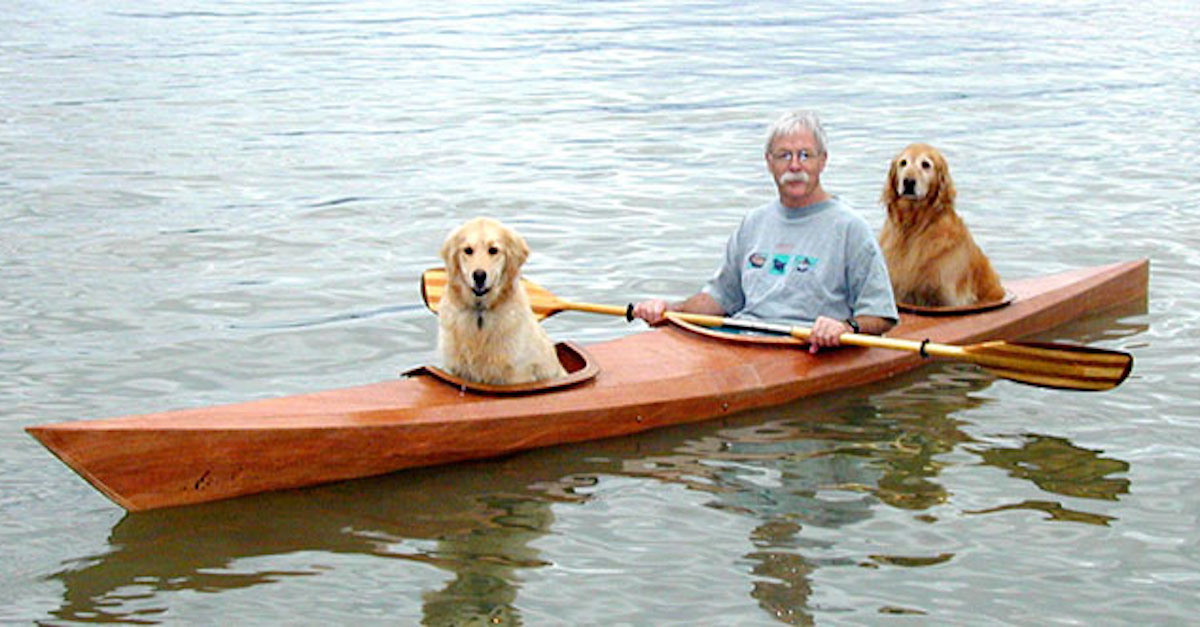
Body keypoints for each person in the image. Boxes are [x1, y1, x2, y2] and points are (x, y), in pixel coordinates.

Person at [631, 110, 898, 353]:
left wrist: (847, 327)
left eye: (805, 155)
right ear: (769, 162)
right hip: (744, 339)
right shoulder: (753, 223)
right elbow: (719, 299)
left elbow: (880, 314)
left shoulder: (851, 228)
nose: (795, 166)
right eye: (784, 155)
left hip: (807, 347)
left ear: (822, 161)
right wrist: (669, 310)